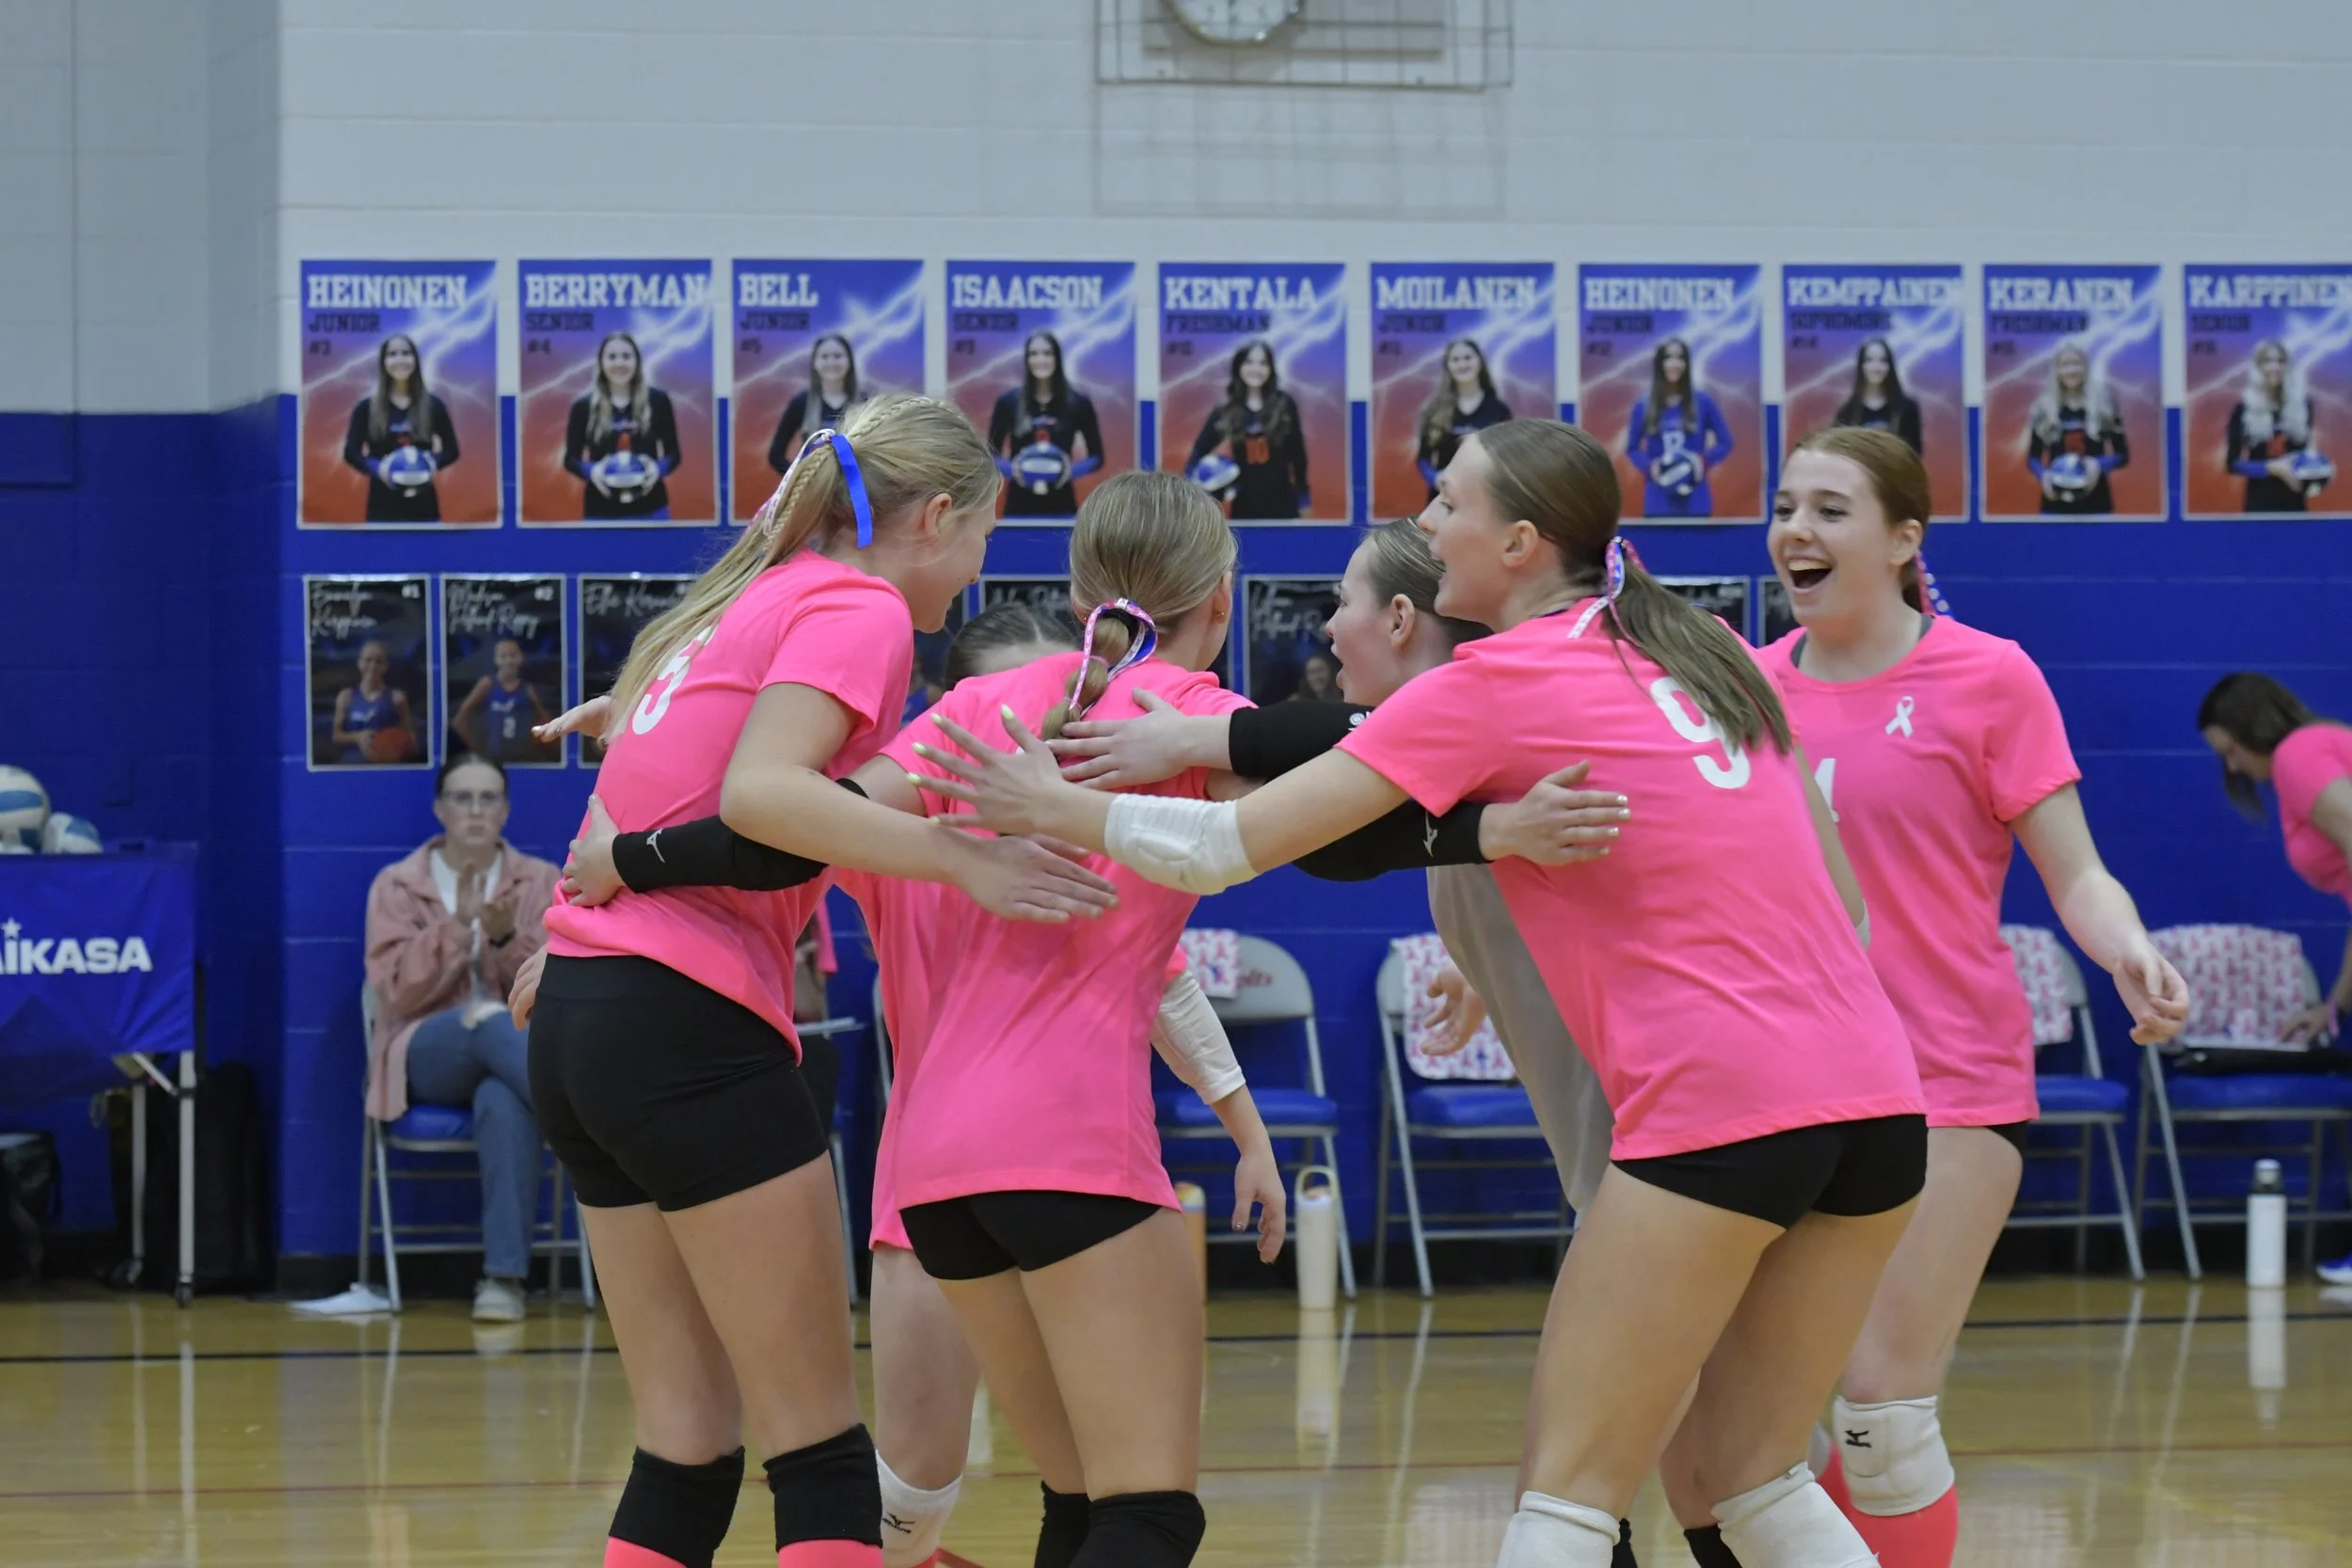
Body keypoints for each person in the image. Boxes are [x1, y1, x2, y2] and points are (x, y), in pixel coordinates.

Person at [917, 420, 1939, 1568]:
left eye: (1443, 502)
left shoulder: (1502, 677)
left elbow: (1229, 844)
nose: (1425, 524)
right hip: (1876, 1099)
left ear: (1515, 540)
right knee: (1757, 1482)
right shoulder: (1697, 641)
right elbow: (1836, 892)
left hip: (1723, 1107)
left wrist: (1057, 806)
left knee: (1566, 1500)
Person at [538, 597, 1305, 1568]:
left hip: (939, 1180)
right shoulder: (906, 827)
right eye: (1014, 704)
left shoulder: (983, 828)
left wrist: (621, 847)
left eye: (1063, 707)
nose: (1045, 731)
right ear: (957, 712)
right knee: (915, 1498)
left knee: (1065, 1492)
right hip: (1028, 1174)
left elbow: (1165, 982)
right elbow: (761, 834)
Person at [511, 394, 1122, 1568]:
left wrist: (575, 938)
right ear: (935, 516)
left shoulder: (736, 604)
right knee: (818, 1448)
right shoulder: (858, 605)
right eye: (988, 532)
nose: (981, 565)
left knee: (684, 1443)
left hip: (587, 1017)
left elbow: (638, 798)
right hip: (686, 1019)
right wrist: (965, 857)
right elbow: (761, 798)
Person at [1760, 426, 2189, 1568]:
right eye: (1785, 504)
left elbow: (2076, 871)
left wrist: (2127, 949)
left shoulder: (1988, 674)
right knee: (1766, 1434)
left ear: (1905, 538)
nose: (1796, 529)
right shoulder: (1741, 688)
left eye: (1830, 508)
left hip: (1943, 1078)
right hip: (1778, 1085)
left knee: (1881, 1412)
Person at [363, 753, 559, 1322]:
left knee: (502, 1100)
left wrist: (503, 941)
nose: (476, 810)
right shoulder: (398, 885)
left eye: (488, 798)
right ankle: (588, 1113)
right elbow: (396, 993)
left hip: (509, 1058)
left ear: (506, 810)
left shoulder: (541, 881)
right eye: (463, 798)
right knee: (486, 1020)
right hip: (424, 1052)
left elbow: (555, 987)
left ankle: (503, 1280)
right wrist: (457, 927)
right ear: (440, 809)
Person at [342, 334, 461, 524]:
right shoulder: (366, 408)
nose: (400, 359)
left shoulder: (433, 405)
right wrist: (378, 468)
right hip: (382, 507)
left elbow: (452, 451)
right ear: (383, 362)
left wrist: (431, 462)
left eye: (406, 353)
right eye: (393, 354)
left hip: (424, 507)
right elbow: (351, 453)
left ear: (415, 360)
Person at [564, 331, 684, 520]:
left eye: (626, 356)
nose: (619, 363)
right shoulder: (583, 406)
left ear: (637, 361)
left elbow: (674, 454)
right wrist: (592, 471)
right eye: (612, 357)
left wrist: (657, 469)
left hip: (652, 508)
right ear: (601, 363)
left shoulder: (658, 400)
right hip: (600, 511)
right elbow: (571, 459)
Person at [1185, 340, 1310, 521]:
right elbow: (1199, 451)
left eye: (1263, 363)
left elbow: (1298, 456)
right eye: (1249, 362)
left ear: (1271, 368)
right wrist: (1194, 488)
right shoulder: (1227, 409)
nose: (1256, 369)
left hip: (1283, 503)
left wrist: (1303, 499)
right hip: (1244, 505)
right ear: (1239, 366)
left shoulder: (1284, 405)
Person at [987, 330, 1105, 518]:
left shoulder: (1078, 403)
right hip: (1019, 506)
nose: (1040, 359)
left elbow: (1097, 457)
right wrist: (1014, 470)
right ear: (1026, 359)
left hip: (1062, 505)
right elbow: (990, 455)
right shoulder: (1008, 402)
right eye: (1034, 354)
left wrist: (1069, 472)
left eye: (1047, 353)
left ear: (1057, 357)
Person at [1625, 338, 1734, 519]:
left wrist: (1703, 462)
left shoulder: (1702, 402)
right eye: (1668, 358)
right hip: (1658, 501)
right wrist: (1650, 467)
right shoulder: (1644, 405)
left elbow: (1726, 442)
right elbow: (1632, 448)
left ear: (1686, 364)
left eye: (1680, 358)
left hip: (1696, 501)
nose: (1674, 364)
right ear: (1660, 364)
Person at [2026, 341, 2127, 516]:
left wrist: (2099, 464)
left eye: (2076, 363)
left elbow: (2123, 455)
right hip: (2054, 506)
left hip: (2097, 506)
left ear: (2085, 368)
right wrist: (2043, 476)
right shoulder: (2044, 408)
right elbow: (2033, 457)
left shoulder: (2105, 405)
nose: (2071, 370)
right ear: (2057, 370)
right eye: (2065, 365)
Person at [2224, 340, 2326, 514]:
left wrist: (2320, 470)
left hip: (2295, 504)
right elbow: (2232, 464)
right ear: (2257, 367)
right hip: (2259, 503)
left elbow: (2305, 455)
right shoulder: (2243, 409)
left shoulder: (2304, 406)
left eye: (2280, 361)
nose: (2275, 367)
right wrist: (2272, 468)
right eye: (2268, 361)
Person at [1416, 338, 1514, 496]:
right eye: (1455, 359)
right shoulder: (1434, 410)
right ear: (1448, 366)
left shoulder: (1498, 409)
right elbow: (1422, 458)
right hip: (1444, 497)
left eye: (1468, 358)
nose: (1462, 364)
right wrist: (1434, 479)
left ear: (1479, 361)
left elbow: (1507, 456)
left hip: (1486, 495)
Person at [770, 334, 866, 477]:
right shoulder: (801, 403)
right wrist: (799, 479)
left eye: (838, 356)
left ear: (849, 361)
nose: (831, 362)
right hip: (817, 493)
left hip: (855, 492)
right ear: (815, 363)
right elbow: (775, 455)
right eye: (825, 357)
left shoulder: (865, 403)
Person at [453, 637, 554, 764]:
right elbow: (460, 718)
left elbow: (548, 722)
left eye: (513, 655)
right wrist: (475, 749)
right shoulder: (487, 685)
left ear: (521, 658)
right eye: (503, 656)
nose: (509, 661)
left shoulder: (527, 689)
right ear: (496, 660)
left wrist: (534, 744)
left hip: (523, 758)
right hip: (493, 758)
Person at [329, 640, 416, 765]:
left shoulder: (397, 698)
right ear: (359, 663)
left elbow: (410, 738)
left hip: (385, 765)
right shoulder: (346, 697)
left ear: (385, 666)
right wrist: (357, 737)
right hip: (352, 765)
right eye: (368, 660)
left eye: (379, 661)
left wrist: (391, 746)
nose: (373, 665)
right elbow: (336, 735)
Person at [1832, 338, 1923, 457]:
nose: (1876, 367)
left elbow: (1915, 454)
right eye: (1869, 360)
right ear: (1861, 366)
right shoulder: (1847, 411)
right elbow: (1838, 454)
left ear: (1890, 366)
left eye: (1883, 360)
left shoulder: (1907, 408)